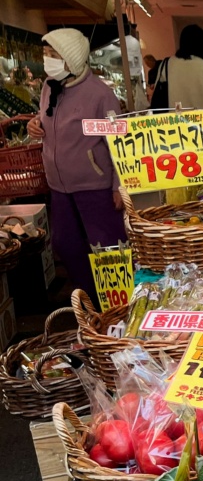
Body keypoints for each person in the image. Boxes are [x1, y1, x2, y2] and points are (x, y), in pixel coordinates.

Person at [27, 29, 124, 303]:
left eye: (53, 55)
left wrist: (119, 185)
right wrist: (34, 125)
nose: (47, 60)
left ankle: (117, 307)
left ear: (71, 58)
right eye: (46, 54)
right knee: (65, 244)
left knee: (107, 249)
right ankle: (90, 300)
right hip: (59, 186)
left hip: (95, 186)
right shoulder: (50, 86)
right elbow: (45, 119)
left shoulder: (100, 94)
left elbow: (118, 141)